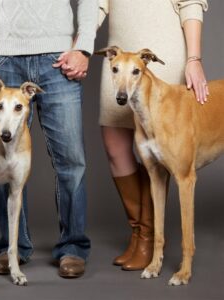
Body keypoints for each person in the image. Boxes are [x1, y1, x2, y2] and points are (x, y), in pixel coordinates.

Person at [0, 0, 98, 279]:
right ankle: (13, 247)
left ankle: (72, 246)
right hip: (4, 58)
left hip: (59, 58)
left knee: (71, 160)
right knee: (1, 160)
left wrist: (83, 47)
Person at [97, 0, 209, 270]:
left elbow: (191, 2)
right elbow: (97, 5)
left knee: (158, 157)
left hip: (159, 54)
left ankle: (148, 240)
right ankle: (140, 232)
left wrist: (194, 58)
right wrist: (79, 44)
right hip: (118, 60)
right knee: (115, 145)